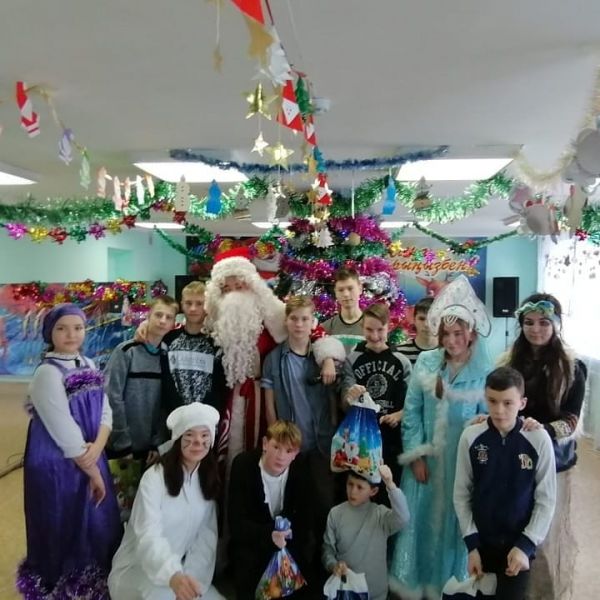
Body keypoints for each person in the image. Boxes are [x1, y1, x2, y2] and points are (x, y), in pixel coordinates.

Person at [389, 275, 492, 600]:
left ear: (470, 332)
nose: (451, 340)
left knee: (454, 529)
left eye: (458, 333)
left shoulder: (483, 372)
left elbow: (489, 421)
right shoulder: (426, 361)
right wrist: (416, 455)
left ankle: (451, 586)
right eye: (446, 334)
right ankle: (417, 587)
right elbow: (412, 412)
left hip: (462, 468)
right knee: (420, 526)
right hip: (427, 465)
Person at [203, 247, 342, 470]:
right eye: (227, 289)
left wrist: (327, 358)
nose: (233, 294)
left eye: (239, 286)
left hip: (268, 395)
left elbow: (314, 332)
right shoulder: (216, 319)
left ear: (251, 284)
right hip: (232, 397)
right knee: (233, 454)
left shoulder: (272, 311)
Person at [16, 303, 121, 598]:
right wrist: (94, 471)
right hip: (57, 463)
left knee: (96, 520)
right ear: (50, 333)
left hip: (91, 454)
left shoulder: (90, 363)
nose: (71, 334)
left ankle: (96, 582)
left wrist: (98, 447)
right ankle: (62, 585)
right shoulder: (47, 374)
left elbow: (106, 411)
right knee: (62, 518)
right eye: (62, 328)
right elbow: (63, 428)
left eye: (78, 328)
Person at [503, 293, 587, 600]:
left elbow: (571, 421)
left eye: (543, 322)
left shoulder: (573, 367)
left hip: (554, 461)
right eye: (528, 322)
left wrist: (543, 431)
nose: (535, 329)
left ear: (556, 324)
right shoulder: (508, 362)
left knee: (544, 539)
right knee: (515, 530)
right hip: (514, 457)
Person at [453, 367, 557, 600]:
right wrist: (472, 544)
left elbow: (546, 499)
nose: (499, 410)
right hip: (481, 545)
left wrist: (527, 544)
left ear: (522, 403)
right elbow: (461, 494)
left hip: (518, 546)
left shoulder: (539, 439)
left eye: (508, 403)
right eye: (492, 401)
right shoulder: (470, 437)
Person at [108, 403, 224, 600]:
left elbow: (205, 541)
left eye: (205, 435)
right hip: (137, 571)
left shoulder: (206, 479)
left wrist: (191, 581)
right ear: (177, 439)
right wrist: (172, 576)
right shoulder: (154, 478)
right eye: (189, 435)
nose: (198, 442)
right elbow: (148, 535)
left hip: (178, 573)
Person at [228, 420, 315, 599]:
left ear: (295, 454)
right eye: (276, 447)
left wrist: (286, 538)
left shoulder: (301, 470)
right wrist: (268, 535)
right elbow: (237, 523)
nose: (281, 456)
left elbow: (305, 520)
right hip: (253, 546)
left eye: (288, 451)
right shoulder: (243, 465)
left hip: (288, 547)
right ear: (265, 444)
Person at [341, 303, 412, 487]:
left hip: (392, 440)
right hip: (361, 439)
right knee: (361, 488)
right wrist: (350, 396)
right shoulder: (352, 360)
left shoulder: (402, 362)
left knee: (389, 489)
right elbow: (344, 404)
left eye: (380, 330)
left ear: (389, 326)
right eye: (369, 329)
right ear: (362, 327)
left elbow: (413, 402)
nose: (374, 336)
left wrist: (399, 415)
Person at [105, 295, 178, 465]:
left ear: (173, 323)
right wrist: (122, 443)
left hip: (151, 451)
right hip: (121, 448)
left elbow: (164, 403)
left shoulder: (168, 357)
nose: (162, 321)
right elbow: (112, 397)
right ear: (148, 316)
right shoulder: (126, 351)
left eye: (168, 317)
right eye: (158, 315)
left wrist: (157, 442)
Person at [322, 464, 410, 600]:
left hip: (376, 593)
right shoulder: (336, 514)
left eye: (359, 487)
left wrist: (390, 484)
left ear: (373, 491)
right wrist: (334, 566)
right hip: (347, 592)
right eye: (350, 484)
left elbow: (403, 518)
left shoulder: (380, 515)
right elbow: (328, 550)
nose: (353, 491)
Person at [160, 281, 224, 415]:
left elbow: (218, 386)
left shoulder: (217, 343)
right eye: (188, 303)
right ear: (182, 304)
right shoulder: (168, 340)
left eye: (199, 303)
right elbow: (166, 381)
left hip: (206, 419)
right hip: (174, 417)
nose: (193, 308)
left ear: (207, 306)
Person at [321, 268, 365, 352]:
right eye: (341, 290)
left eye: (350, 288)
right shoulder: (326, 328)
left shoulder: (373, 327)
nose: (346, 294)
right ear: (335, 292)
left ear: (360, 289)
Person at [401, 296, 438, 366]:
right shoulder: (400, 353)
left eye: (432, 319)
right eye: (421, 319)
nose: (426, 324)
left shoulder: (450, 352)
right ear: (414, 320)